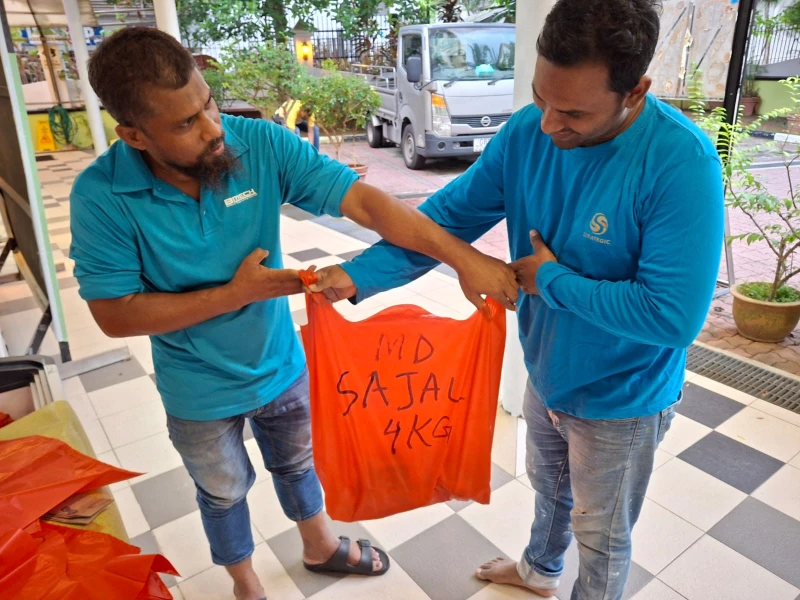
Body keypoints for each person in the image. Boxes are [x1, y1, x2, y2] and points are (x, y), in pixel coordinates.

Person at [68, 27, 518, 600]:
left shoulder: (257, 144)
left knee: (301, 464)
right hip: (197, 389)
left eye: (207, 103)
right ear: (132, 134)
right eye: (185, 124)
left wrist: (461, 259)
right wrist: (239, 292)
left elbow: (366, 203)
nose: (212, 130)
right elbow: (116, 315)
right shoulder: (100, 195)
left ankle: (320, 546)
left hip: (281, 363)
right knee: (224, 492)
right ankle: (245, 582)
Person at [311, 0, 724, 598]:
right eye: (541, 98)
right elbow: (445, 223)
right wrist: (360, 276)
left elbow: (673, 316)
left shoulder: (680, 162)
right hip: (547, 368)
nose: (550, 125)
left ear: (636, 90)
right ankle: (539, 571)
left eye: (575, 112)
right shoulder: (527, 132)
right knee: (548, 487)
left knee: (601, 534)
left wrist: (548, 281)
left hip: (622, 398)